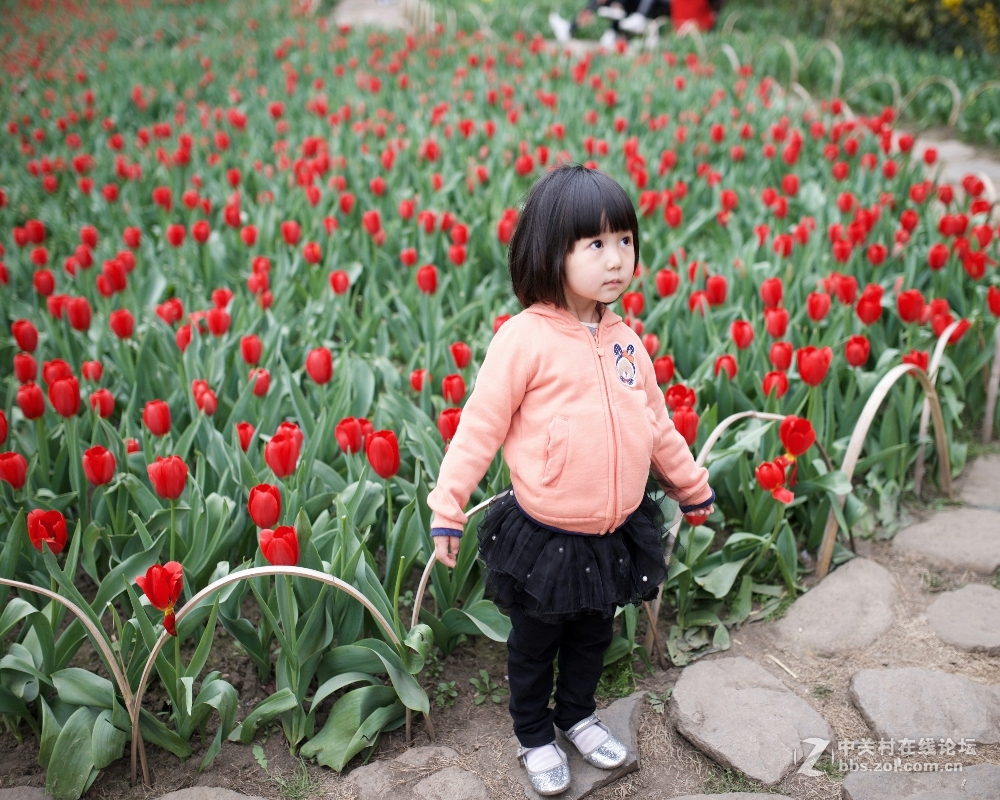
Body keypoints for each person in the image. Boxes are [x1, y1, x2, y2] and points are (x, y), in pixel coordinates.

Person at [426, 164, 715, 796]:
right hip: (547, 533)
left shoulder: (625, 342)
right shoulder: (523, 339)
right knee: (535, 644)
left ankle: (578, 716)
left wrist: (691, 486)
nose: (616, 260)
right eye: (595, 244)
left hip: (612, 529)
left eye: (625, 242)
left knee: (593, 634)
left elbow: (657, 425)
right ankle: (533, 735)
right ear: (551, 251)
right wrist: (448, 506)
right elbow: (479, 427)